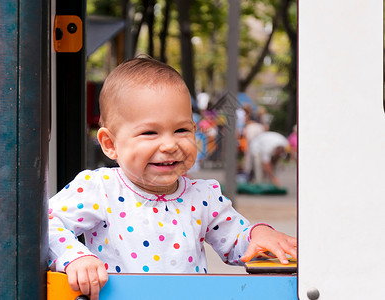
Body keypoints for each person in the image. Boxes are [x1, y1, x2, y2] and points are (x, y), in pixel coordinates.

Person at [48, 57, 297, 300]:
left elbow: (236, 241)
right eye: (149, 132)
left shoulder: (203, 197)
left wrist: (259, 234)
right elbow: (46, 224)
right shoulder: (101, 189)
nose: (169, 144)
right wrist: (76, 256)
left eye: (181, 130)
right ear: (110, 144)